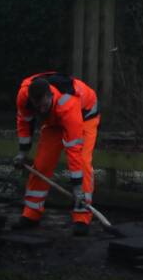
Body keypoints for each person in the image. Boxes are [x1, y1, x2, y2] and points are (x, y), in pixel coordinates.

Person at [12, 72, 100, 236]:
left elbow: (74, 149)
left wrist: (77, 186)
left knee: (82, 162)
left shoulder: (68, 103)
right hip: (54, 120)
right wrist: (22, 153)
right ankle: (31, 214)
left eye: (44, 105)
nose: (40, 109)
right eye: (37, 106)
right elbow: (24, 123)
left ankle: (82, 216)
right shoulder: (24, 96)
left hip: (84, 115)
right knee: (42, 163)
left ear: (50, 95)